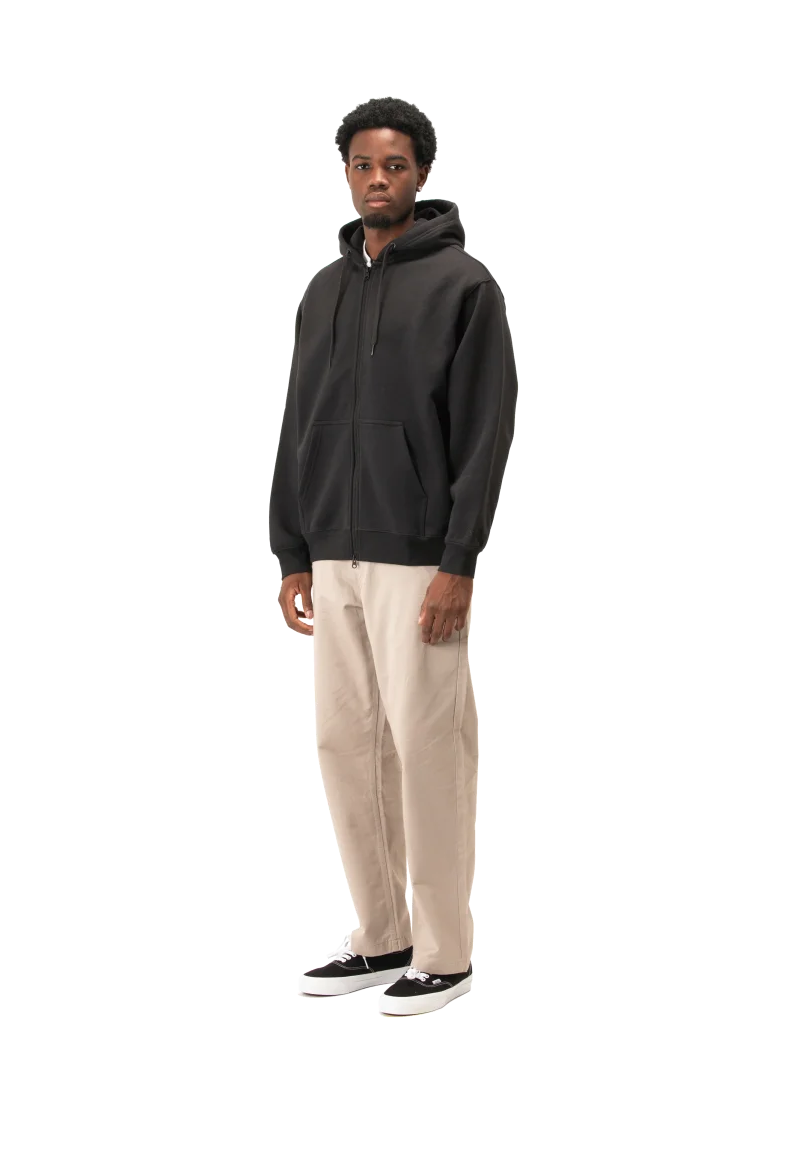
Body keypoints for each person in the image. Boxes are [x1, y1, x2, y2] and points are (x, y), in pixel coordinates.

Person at [270, 97, 517, 1015]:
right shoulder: (323, 290)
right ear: (345, 171)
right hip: (330, 552)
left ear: (421, 174)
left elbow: (485, 433)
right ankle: (381, 935)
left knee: (426, 749)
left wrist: (459, 561)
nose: (378, 180)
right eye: (363, 165)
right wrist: (290, 548)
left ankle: (446, 953)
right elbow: (298, 422)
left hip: (417, 557)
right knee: (347, 747)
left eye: (395, 166)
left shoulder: (464, 285)